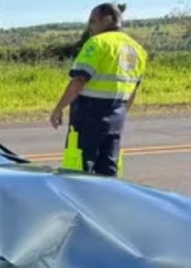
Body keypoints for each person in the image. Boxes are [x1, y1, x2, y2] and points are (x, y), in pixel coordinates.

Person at [50, 3, 147, 177]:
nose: (91, 27)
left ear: (108, 19)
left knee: (79, 170)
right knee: (108, 168)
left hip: (88, 116)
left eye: (93, 21)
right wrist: (121, 114)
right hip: (116, 118)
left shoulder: (97, 43)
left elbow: (79, 80)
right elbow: (133, 91)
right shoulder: (137, 49)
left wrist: (58, 108)